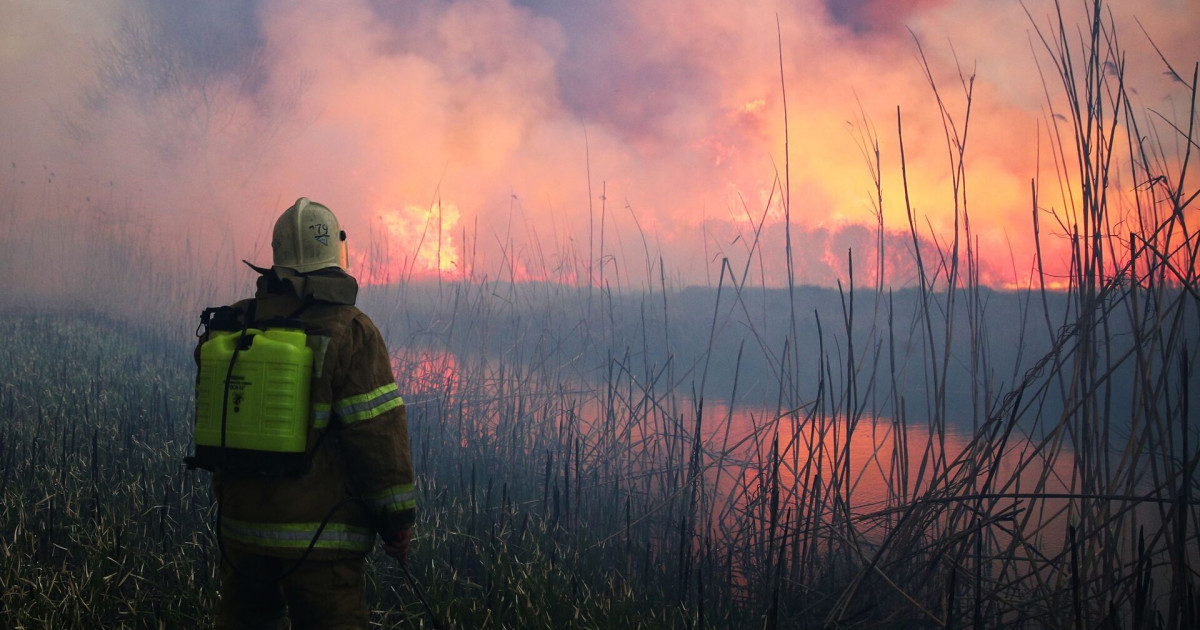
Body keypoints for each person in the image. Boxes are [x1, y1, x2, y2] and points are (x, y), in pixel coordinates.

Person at [197, 197, 415, 630]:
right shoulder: (350, 330)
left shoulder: (237, 321)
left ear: (278, 257)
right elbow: (377, 437)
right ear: (335, 253)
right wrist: (397, 521)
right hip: (321, 543)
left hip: (241, 531)